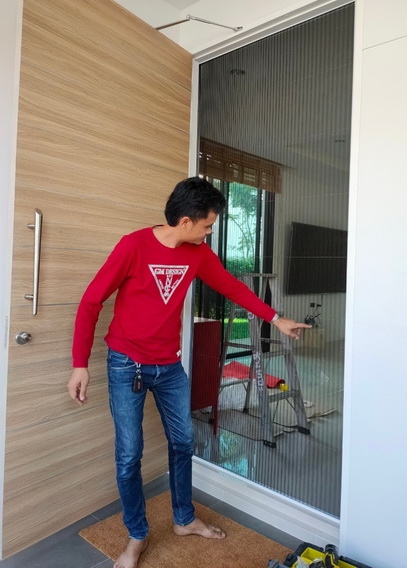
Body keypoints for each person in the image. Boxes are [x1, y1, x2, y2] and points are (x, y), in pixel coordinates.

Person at [68, 176, 311, 568]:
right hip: (126, 364)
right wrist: (80, 364)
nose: (210, 232)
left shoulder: (198, 253)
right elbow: (91, 301)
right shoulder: (133, 246)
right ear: (185, 221)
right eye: (208, 225)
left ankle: (184, 519)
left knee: (183, 442)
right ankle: (136, 536)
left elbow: (232, 287)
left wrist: (276, 318)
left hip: (168, 367)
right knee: (129, 455)